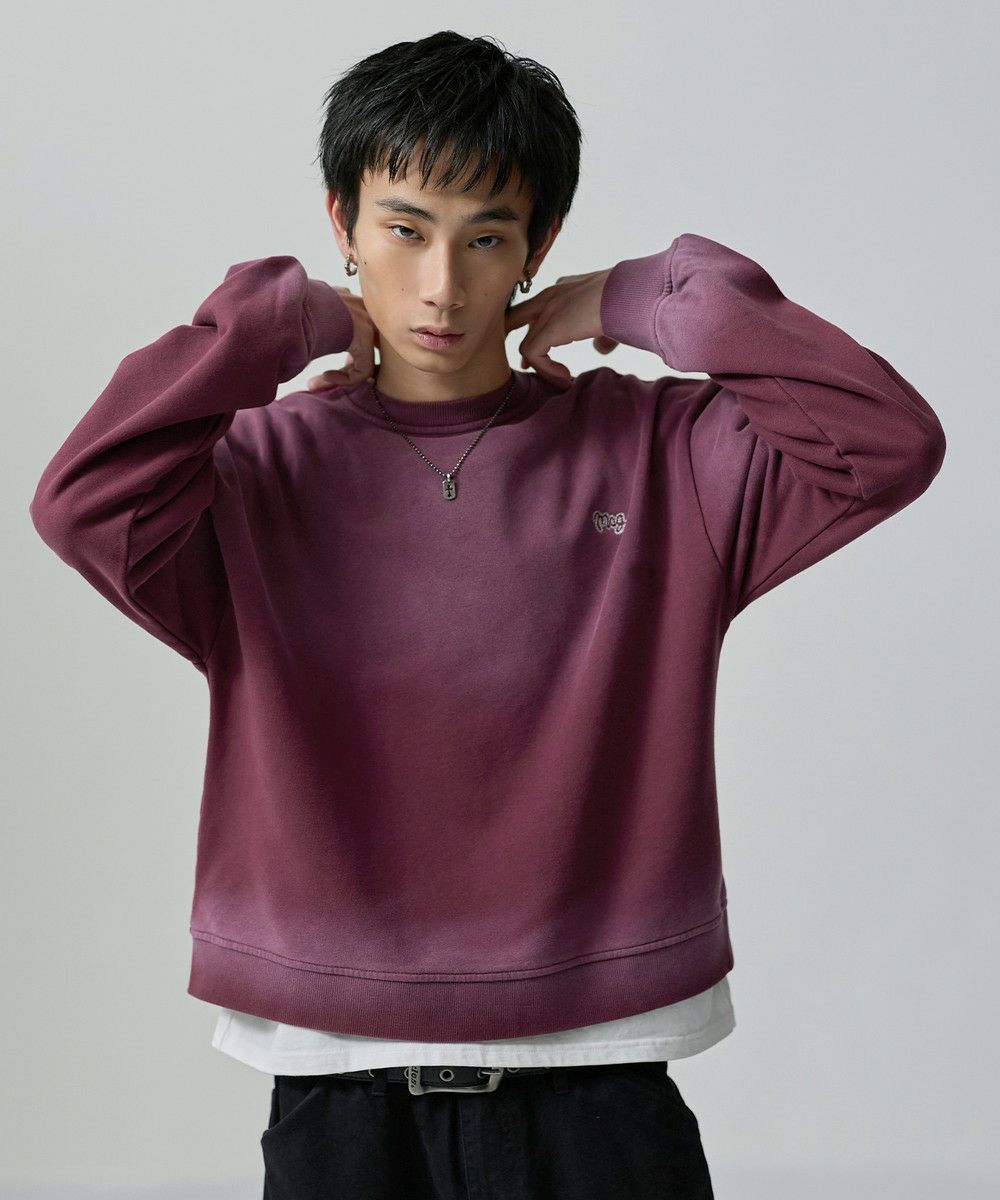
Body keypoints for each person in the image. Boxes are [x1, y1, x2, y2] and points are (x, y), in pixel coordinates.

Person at [27, 29, 946, 1200]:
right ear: (342, 222)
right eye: (404, 230)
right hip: (335, 1077)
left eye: (485, 238)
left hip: (600, 1073)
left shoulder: (662, 453)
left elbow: (886, 442)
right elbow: (79, 504)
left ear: (536, 246)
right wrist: (276, 324)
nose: (441, 286)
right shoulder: (252, 472)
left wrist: (645, 298)